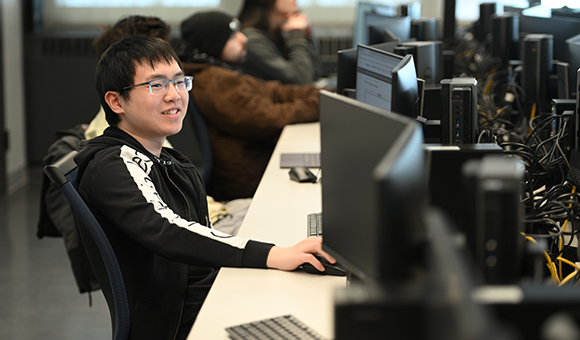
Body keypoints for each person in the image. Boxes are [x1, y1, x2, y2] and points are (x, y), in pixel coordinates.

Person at [75, 35, 333, 340]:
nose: (174, 95)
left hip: (199, 294)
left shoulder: (165, 157)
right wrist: (272, 254)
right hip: (177, 321)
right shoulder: (113, 164)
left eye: (179, 81)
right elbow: (166, 229)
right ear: (116, 101)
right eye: (156, 85)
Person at [179, 10, 320, 200]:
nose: (243, 39)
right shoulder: (214, 82)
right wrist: (321, 103)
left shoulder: (221, 70)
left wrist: (319, 95)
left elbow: (275, 92)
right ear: (213, 44)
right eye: (232, 36)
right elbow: (270, 119)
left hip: (260, 169)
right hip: (251, 184)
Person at [237, 0, 321, 85]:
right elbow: (302, 81)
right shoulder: (251, 40)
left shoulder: (279, 32)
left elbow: (315, 75)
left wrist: (307, 36)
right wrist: (296, 34)